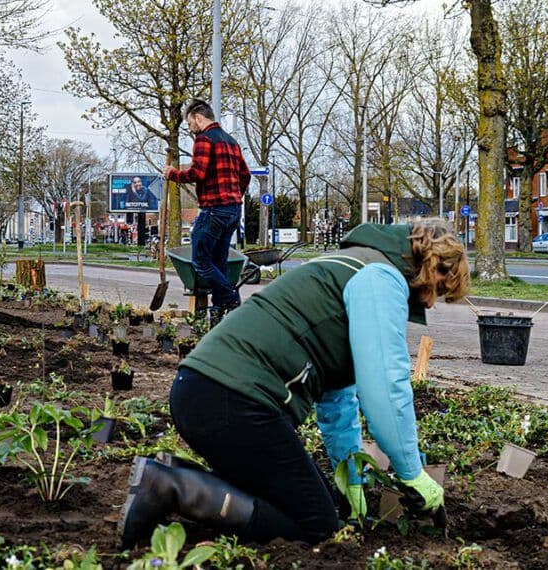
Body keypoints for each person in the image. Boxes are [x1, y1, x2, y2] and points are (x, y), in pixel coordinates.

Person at [118, 220, 469, 549]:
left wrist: (351, 479)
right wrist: (411, 473)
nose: (431, 302)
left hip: (204, 390)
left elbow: (338, 400)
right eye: (438, 289)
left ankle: (173, 472)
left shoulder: (354, 264)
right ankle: (170, 488)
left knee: (327, 505)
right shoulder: (381, 279)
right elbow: (387, 387)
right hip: (235, 401)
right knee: (317, 527)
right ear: (431, 267)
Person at [164, 99, 250, 322]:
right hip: (233, 210)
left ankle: (231, 298)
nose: (190, 128)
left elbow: (197, 173)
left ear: (198, 117)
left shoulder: (203, 139)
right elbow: (245, 175)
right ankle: (220, 308)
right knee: (219, 261)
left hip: (213, 210)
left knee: (200, 261)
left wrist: (173, 174)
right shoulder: (232, 142)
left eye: (190, 123)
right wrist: (234, 196)